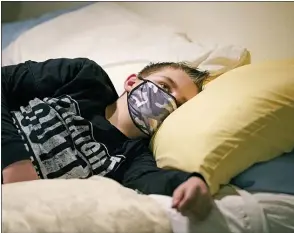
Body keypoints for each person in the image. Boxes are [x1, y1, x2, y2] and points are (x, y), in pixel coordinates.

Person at [1, 58, 212, 220]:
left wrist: (191, 181)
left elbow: (155, 180)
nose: (168, 100)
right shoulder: (84, 78)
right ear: (131, 82)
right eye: (165, 86)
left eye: (179, 103)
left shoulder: (134, 159)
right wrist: (14, 159)